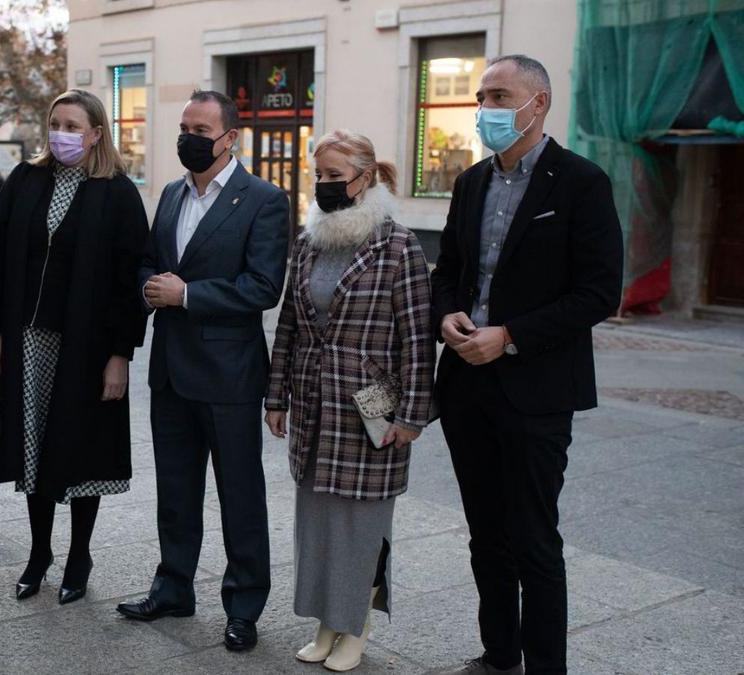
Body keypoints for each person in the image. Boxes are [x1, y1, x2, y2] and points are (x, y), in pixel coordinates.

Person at [430, 55, 622, 675]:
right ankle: (498, 655)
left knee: (534, 541)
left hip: (536, 392)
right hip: (466, 386)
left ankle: (545, 667)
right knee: (485, 535)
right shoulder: (470, 182)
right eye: (481, 96)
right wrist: (447, 316)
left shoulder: (581, 182)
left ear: (537, 104)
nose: (484, 107)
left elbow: (599, 292)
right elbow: (449, 275)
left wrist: (509, 336)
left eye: (498, 95)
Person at [117, 90, 289, 651]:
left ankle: (243, 606)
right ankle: (173, 587)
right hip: (170, 373)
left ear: (229, 138)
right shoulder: (169, 193)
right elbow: (150, 261)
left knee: (240, 496)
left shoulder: (264, 199)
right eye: (184, 126)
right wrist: (148, 287)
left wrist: (188, 294)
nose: (189, 136)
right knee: (175, 490)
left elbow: (263, 288)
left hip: (229, 376)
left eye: (201, 128)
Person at [264, 131, 435, 671]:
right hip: (315, 404)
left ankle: (355, 622)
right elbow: (288, 325)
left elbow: (417, 337)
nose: (325, 186)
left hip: (370, 410)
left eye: (335, 176)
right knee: (317, 521)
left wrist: (412, 415)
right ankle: (325, 621)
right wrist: (277, 397)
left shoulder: (398, 244)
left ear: (365, 177)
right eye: (319, 176)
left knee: (360, 523)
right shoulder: (308, 242)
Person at [0, 89, 149, 605]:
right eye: (56, 123)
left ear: (96, 133)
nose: (62, 134)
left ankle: (79, 554)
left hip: (88, 347)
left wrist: (120, 354)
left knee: (80, 448)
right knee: (31, 446)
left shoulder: (117, 192)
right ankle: (39, 553)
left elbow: (129, 279)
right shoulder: (26, 180)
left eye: (73, 126)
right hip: (28, 340)